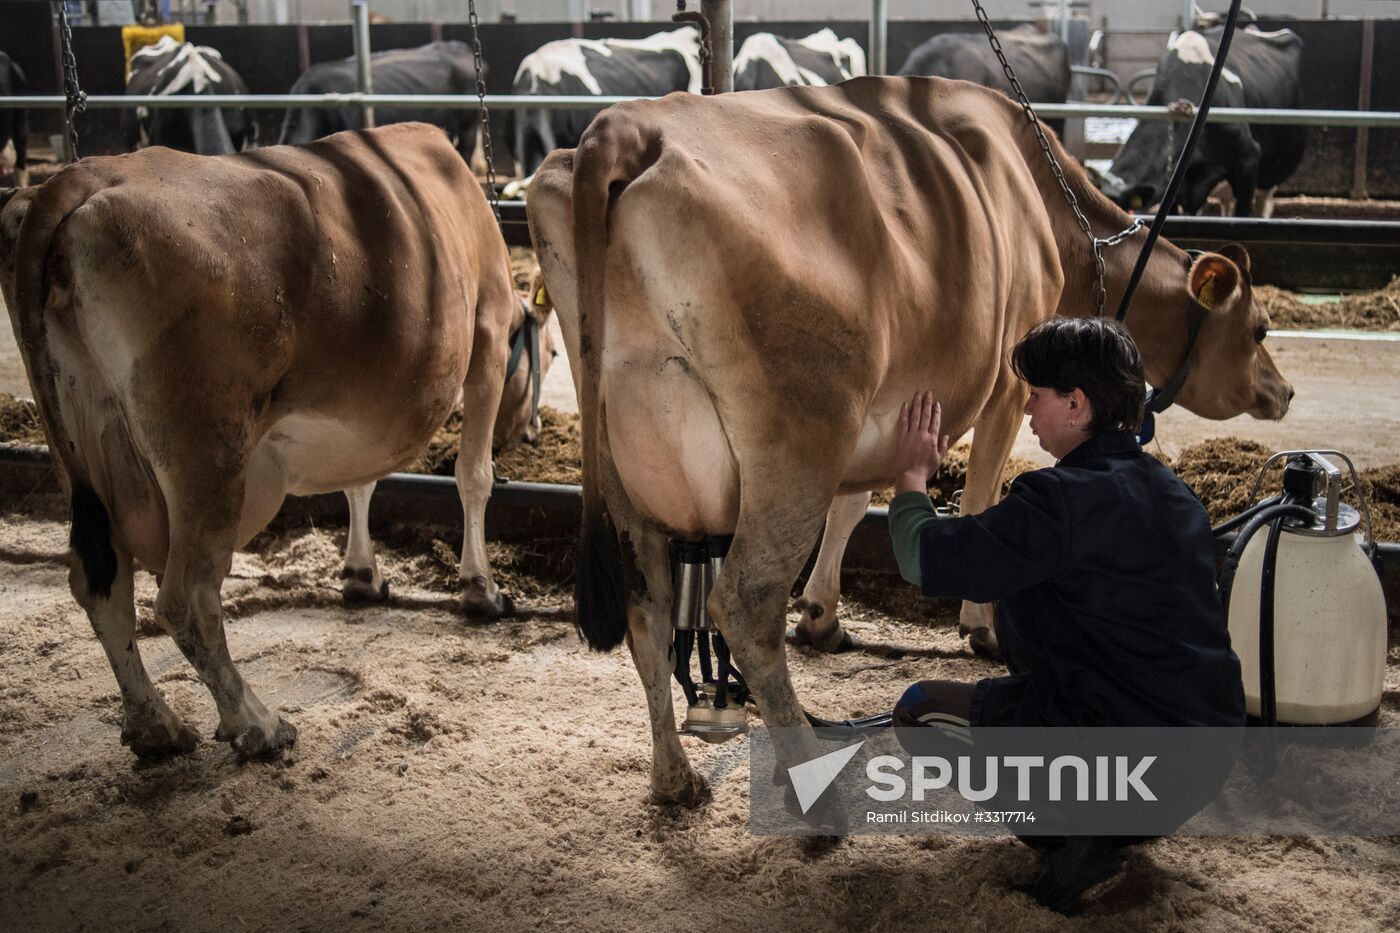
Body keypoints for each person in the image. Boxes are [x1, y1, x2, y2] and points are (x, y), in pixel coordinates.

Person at [887, 317, 1244, 913]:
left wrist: (910, 476)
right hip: (1205, 761)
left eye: (1037, 394)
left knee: (919, 712)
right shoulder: (1176, 494)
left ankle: (1081, 842)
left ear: (1076, 404)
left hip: (1125, 762)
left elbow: (917, 557)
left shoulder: (1059, 500)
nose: (1026, 408)